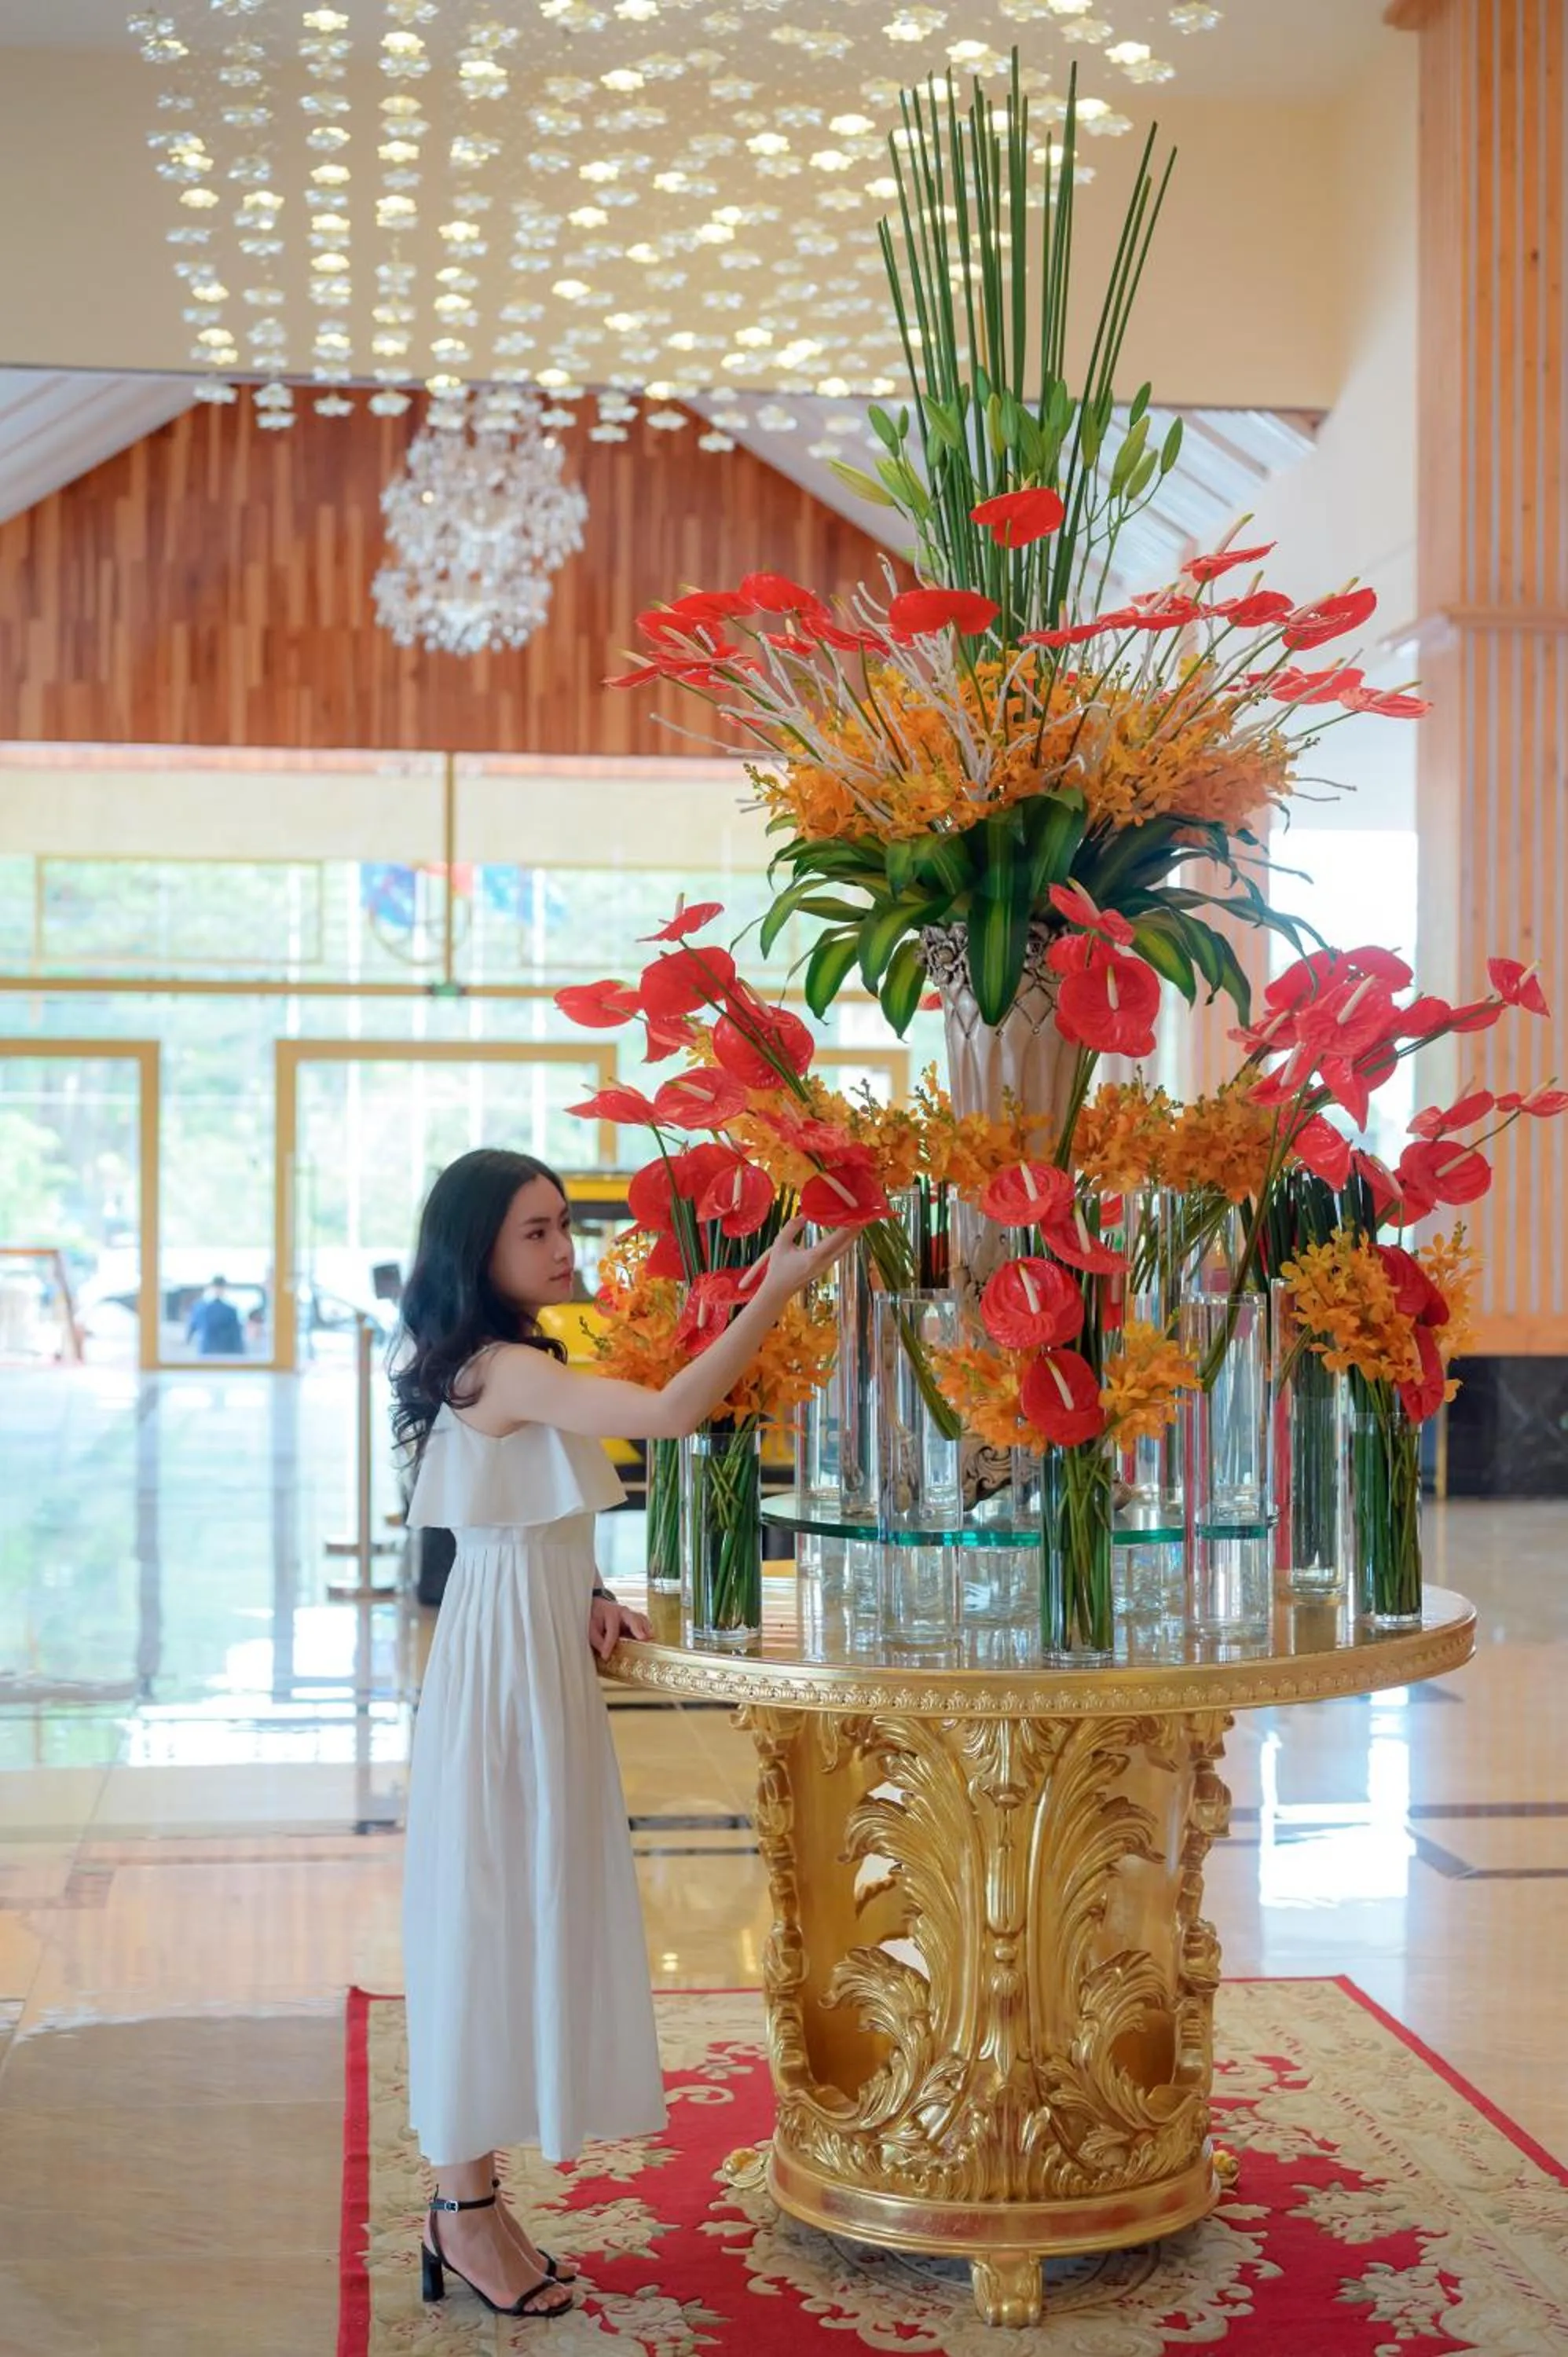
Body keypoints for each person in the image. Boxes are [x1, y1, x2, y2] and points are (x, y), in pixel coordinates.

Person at [390, 1147, 846, 2322]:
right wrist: (771, 1293)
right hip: (501, 1673)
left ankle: (470, 2201)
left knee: (512, 1905)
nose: (562, 1247)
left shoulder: (517, 1365)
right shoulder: (499, 1367)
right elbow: (672, 1412)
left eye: (561, 1226)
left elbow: (528, 1511)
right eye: (536, 1231)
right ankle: (462, 2209)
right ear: (478, 1252)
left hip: (529, 1647)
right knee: (490, 1913)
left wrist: (586, 1585)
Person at [185, 1275, 244, 1357]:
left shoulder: (230, 1310)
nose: (218, 1290)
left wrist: (239, 1353)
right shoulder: (201, 1307)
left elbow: (236, 1335)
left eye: (220, 1288)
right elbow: (192, 1326)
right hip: (207, 1350)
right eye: (217, 1287)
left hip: (224, 1352)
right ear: (211, 1288)